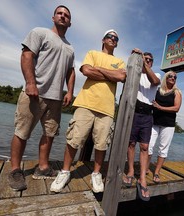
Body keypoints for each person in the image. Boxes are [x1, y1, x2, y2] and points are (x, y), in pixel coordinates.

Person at [8, 5, 75, 191]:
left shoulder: (70, 48)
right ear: (53, 17)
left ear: (70, 23)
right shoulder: (40, 33)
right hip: (34, 94)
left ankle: (43, 167)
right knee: (22, 132)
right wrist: (30, 83)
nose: (63, 16)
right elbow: (27, 55)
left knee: (50, 134)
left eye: (66, 15)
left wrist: (69, 92)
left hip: (55, 99)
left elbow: (71, 72)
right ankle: (15, 170)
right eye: (60, 13)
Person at [50, 29, 127, 193]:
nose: (113, 39)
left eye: (116, 38)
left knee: (101, 143)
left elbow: (121, 77)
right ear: (103, 39)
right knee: (74, 139)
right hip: (85, 103)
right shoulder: (92, 53)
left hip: (107, 108)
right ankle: (65, 172)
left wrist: (99, 70)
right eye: (110, 36)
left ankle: (96, 174)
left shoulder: (119, 61)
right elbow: (86, 70)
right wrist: (110, 75)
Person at [123, 49, 160, 201]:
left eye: (150, 59)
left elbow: (155, 82)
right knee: (131, 143)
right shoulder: (136, 74)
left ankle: (142, 178)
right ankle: (131, 171)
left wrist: (145, 64)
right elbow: (128, 73)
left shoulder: (156, 75)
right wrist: (136, 56)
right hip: (134, 111)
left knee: (144, 146)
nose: (147, 61)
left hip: (147, 114)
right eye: (145, 59)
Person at [148, 70, 182, 183]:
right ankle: (146, 168)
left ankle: (156, 172)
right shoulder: (158, 90)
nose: (173, 78)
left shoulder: (176, 92)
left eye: (175, 77)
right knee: (148, 145)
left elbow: (176, 108)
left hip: (168, 125)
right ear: (166, 78)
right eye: (170, 76)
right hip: (154, 122)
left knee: (163, 149)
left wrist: (160, 107)